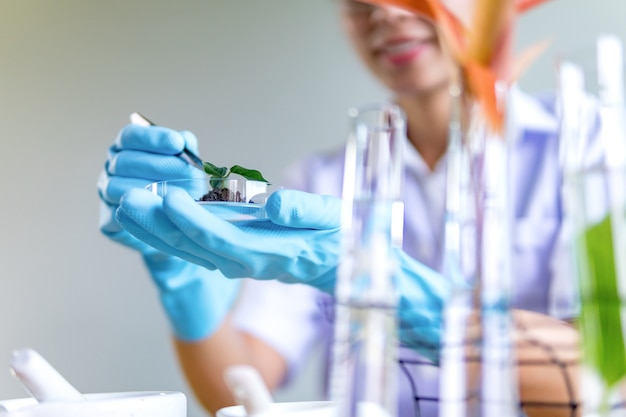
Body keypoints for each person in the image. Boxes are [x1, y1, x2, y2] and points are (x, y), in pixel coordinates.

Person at [98, 2, 581, 416]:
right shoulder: (321, 182)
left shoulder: (595, 149)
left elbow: (604, 378)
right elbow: (242, 392)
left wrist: (392, 289)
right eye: (358, 1)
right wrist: (183, 273)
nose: (387, 14)